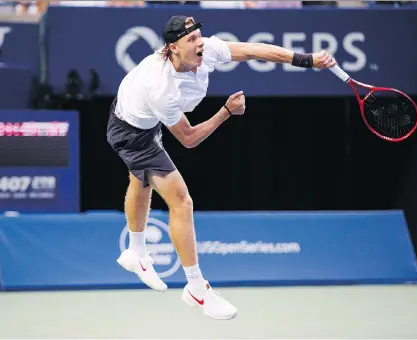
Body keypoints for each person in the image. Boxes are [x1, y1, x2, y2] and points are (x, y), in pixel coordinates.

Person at [107, 15, 336, 321]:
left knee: (141, 177)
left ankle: (136, 251)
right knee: (181, 201)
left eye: (199, 36)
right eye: (191, 40)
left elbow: (256, 50)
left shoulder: (207, 50)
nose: (199, 42)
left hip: (137, 113)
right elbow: (188, 139)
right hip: (131, 130)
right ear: (173, 48)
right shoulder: (162, 87)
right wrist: (226, 112)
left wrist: (307, 60)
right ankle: (196, 288)